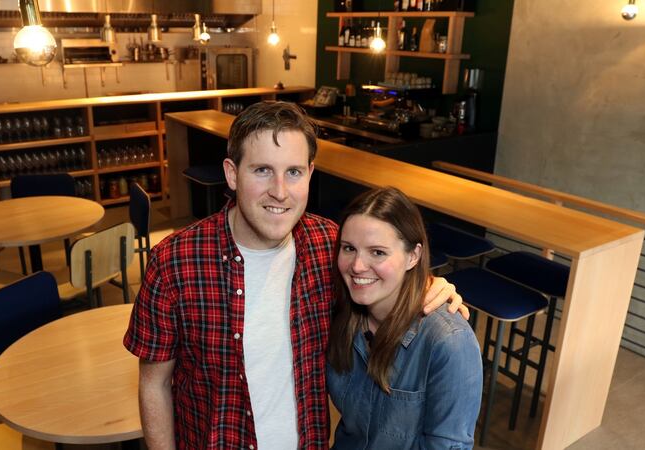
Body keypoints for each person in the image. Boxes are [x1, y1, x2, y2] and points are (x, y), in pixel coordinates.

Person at [123, 102, 467, 449]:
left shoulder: (330, 246)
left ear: (310, 173)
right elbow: (154, 384)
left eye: (294, 172)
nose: (280, 191)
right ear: (232, 173)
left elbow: (383, 274)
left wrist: (429, 285)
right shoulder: (174, 263)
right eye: (261, 170)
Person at [327, 187, 483, 449]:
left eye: (377, 252)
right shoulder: (341, 314)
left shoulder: (449, 341)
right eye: (349, 248)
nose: (357, 266)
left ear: (413, 256)